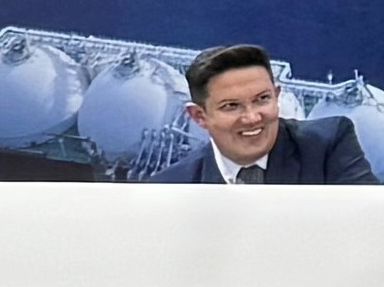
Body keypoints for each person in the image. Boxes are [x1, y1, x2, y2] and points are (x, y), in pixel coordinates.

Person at [155, 46, 372, 185]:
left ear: (276, 96)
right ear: (199, 116)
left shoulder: (328, 146)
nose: (252, 118)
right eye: (231, 106)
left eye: (262, 99)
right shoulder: (171, 186)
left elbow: (373, 225)